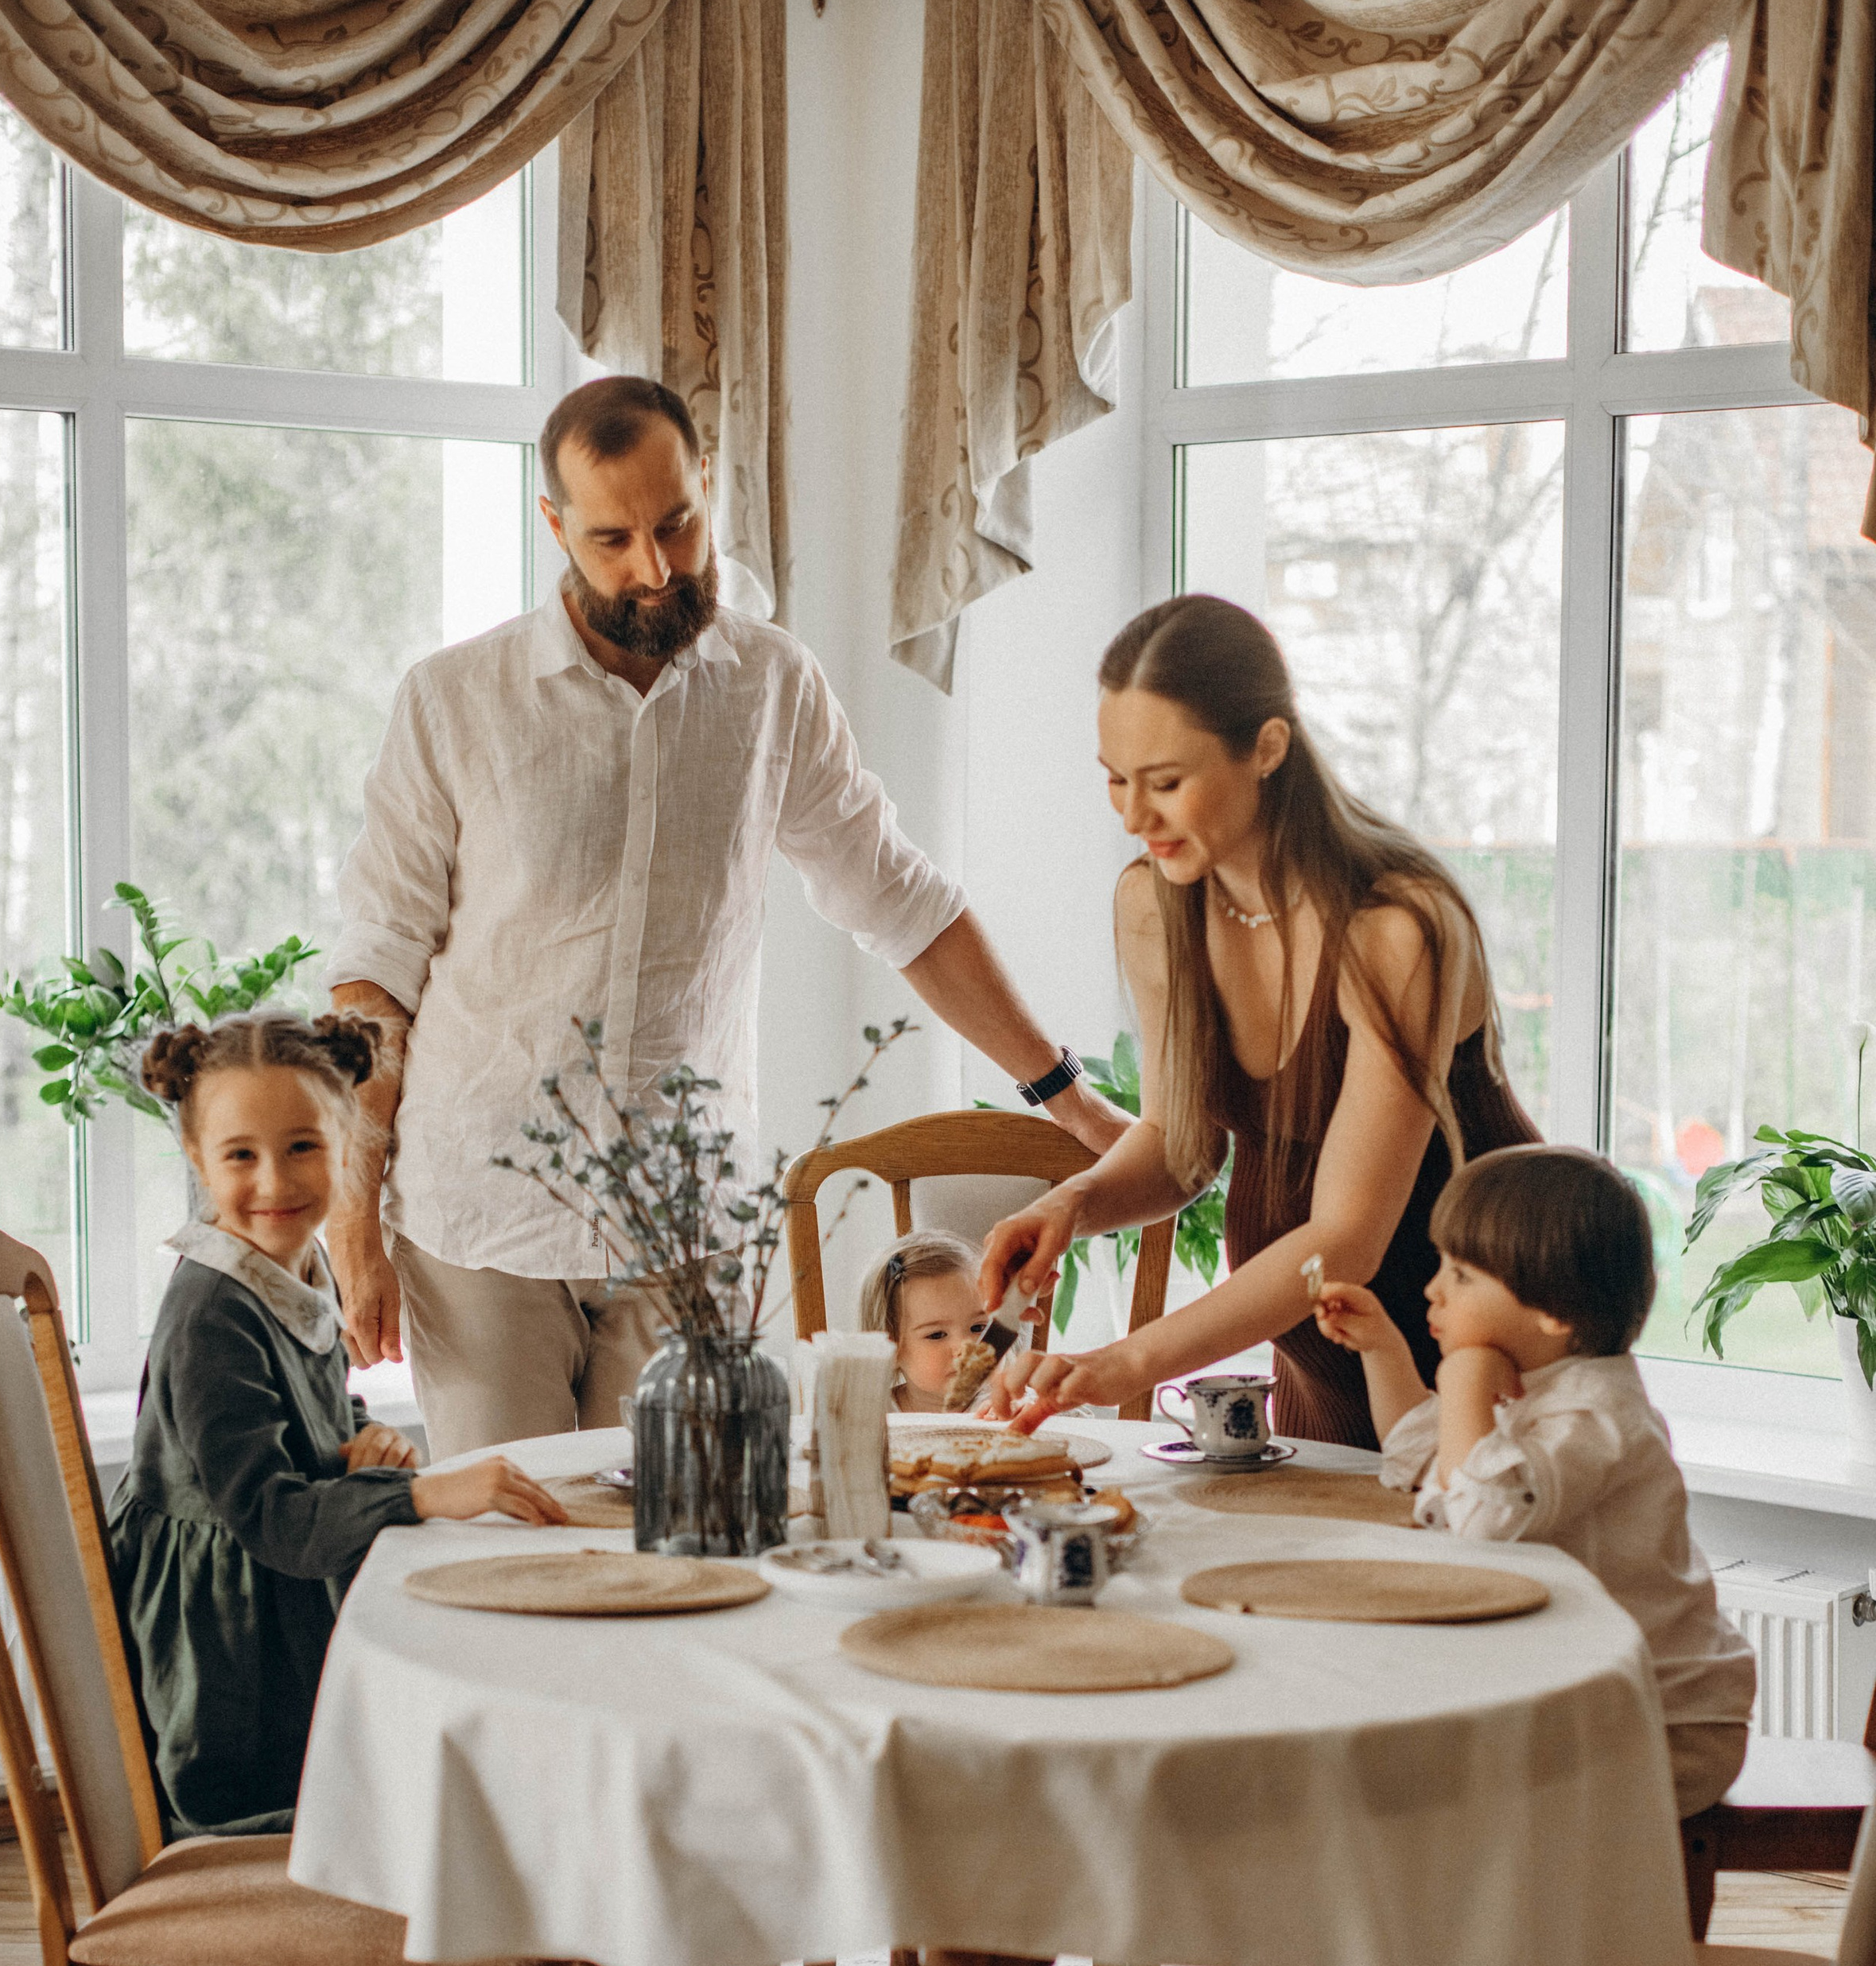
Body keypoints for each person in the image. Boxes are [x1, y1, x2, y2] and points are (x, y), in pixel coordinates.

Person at [324, 371, 1124, 1463]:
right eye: (611, 540)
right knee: (512, 1549)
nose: (654, 571)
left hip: (684, 1229)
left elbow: (903, 904)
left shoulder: (771, 688)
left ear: (708, 485)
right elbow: (375, 976)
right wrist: (351, 1218)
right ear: (555, 527)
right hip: (479, 1221)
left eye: (677, 525)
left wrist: (1073, 1104)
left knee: (677, 1548)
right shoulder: (454, 700)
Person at [87, 1009, 573, 1966]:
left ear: (349, 1148)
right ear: (197, 1159)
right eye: (241, 1157)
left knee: (239, 1871)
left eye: (303, 1149)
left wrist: (360, 1451)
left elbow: (292, 1449)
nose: (275, 1182)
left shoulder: (275, 1282)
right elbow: (260, 1511)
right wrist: (426, 1496)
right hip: (222, 1643)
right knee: (213, 1899)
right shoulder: (208, 1308)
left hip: (262, 1611)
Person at [1268, 1142, 1757, 1966]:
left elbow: (1481, 1523)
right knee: (1379, 1818)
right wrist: (1397, 1356)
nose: (1433, 1289)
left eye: (1460, 1278)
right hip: (1579, 1713)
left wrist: (1465, 1377)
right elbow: (1432, 1471)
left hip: (1661, 1728)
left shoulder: (1596, 1418)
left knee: (1432, 1842)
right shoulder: (1544, 1381)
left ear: (1554, 1318)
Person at [975, 595, 1540, 1437]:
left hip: (1479, 1347)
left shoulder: (1395, 929)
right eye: (1114, 779)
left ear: (1268, 747)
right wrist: (1077, 1204)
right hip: (1322, 1356)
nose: (1134, 816)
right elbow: (1180, 1146)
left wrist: (1125, 1361)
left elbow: (1347, 1237)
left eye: (1166, 783)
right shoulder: (1154, 905)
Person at [858, 1232, 985, 1410]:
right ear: (888, 1347)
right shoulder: (871, 1415)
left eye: (979, 1327)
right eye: (937, 1335)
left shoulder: (1009, 1406)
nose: (967, 1348)